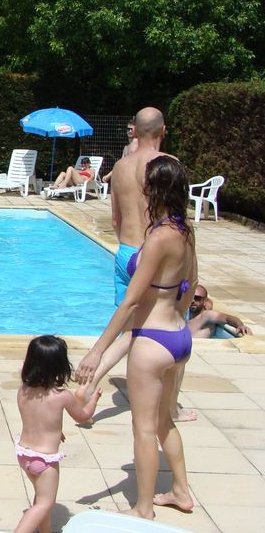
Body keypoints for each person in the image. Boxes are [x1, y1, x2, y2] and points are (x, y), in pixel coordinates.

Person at [76, 155, 197, 519]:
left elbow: (130, 302)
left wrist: (96, 353)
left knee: (143, 429)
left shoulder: (159, 237)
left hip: (152, 341)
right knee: (164, 422)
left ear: (154, 190)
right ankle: (181, 491)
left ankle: (143, 509)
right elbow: (191, 284)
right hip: (178, 337)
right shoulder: (185, 229)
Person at [78, 108, 173, 399]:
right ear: (163, 131)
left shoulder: (120, 167)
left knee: (132, 326)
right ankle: (93, 378)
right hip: (149, 254)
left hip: (124, 253)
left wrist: (128, 249)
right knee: (153, 326)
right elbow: (173, 222)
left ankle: (127, 385)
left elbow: (116, 220)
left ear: (136, 130)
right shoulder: (167, 166)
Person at [14, 335, 101, 533]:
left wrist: (56, 431)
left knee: (40, 497)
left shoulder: (24, 390)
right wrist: (94, 399)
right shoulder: (62, 396)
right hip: (44, 460)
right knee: (44, 504)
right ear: (60, 366)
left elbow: (38, 420)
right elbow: (83, 416)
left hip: (24, 454)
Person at [188, 284, 252, 338]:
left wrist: (240, 325)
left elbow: (227, 318)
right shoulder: (188, 313)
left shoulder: (207, 316)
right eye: (191, 297)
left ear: (205, 301)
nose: (193, 301)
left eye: (197, 298)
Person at [103, 118, 138, 184]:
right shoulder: (126, 147)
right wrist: (109, 176)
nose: (130, 131)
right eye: (128, 129)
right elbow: (120, 164)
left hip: (134, 179)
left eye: (132, 129)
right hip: (126, 178)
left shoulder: (138, 144)